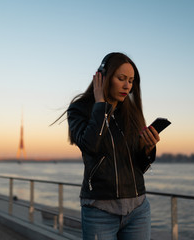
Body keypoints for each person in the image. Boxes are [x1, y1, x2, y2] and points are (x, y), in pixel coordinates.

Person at [57, 52, 160, 240]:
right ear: (104, 77)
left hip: (138, 209)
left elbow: (140, 167)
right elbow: (90, 146)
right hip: (99, 210)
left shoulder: (131, 113)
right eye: (121, 78)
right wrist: (101, 105)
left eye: (130, 80)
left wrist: (147, 148)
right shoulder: (79, 109)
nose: (127, 85)